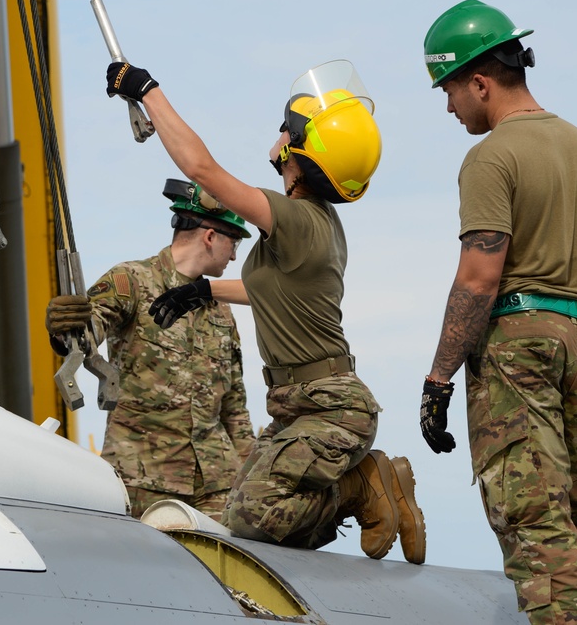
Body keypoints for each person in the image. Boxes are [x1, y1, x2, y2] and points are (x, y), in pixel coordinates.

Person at [104, 58, 427, 564]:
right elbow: (275, 294)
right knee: (238, 517)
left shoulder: (295, 219)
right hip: (300, 405)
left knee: (254, 516)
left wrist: (148, 92)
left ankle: (361, 487)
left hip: (328, 407)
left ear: (300, 155)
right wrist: (205, 293)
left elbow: (201, 169)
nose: (277, 136)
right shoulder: (316, 225)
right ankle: (359, 487)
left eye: (286, 131)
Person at [418, 0, 577, 623]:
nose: (449, 107)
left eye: (448, 90)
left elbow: (479, 275)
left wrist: (438, 378)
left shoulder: (492, 156)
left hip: (518, 348)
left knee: (536, 523)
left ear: (479, 81)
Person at [44, 179, 256, 521]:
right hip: (142, 481)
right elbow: (87, 332)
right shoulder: (132, 281)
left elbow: (235, 411)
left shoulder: (222, 309)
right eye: (234, 242)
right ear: (210, 236)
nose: (234, 254)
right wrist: (64, 328)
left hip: (217, 487)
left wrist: (250, 482)